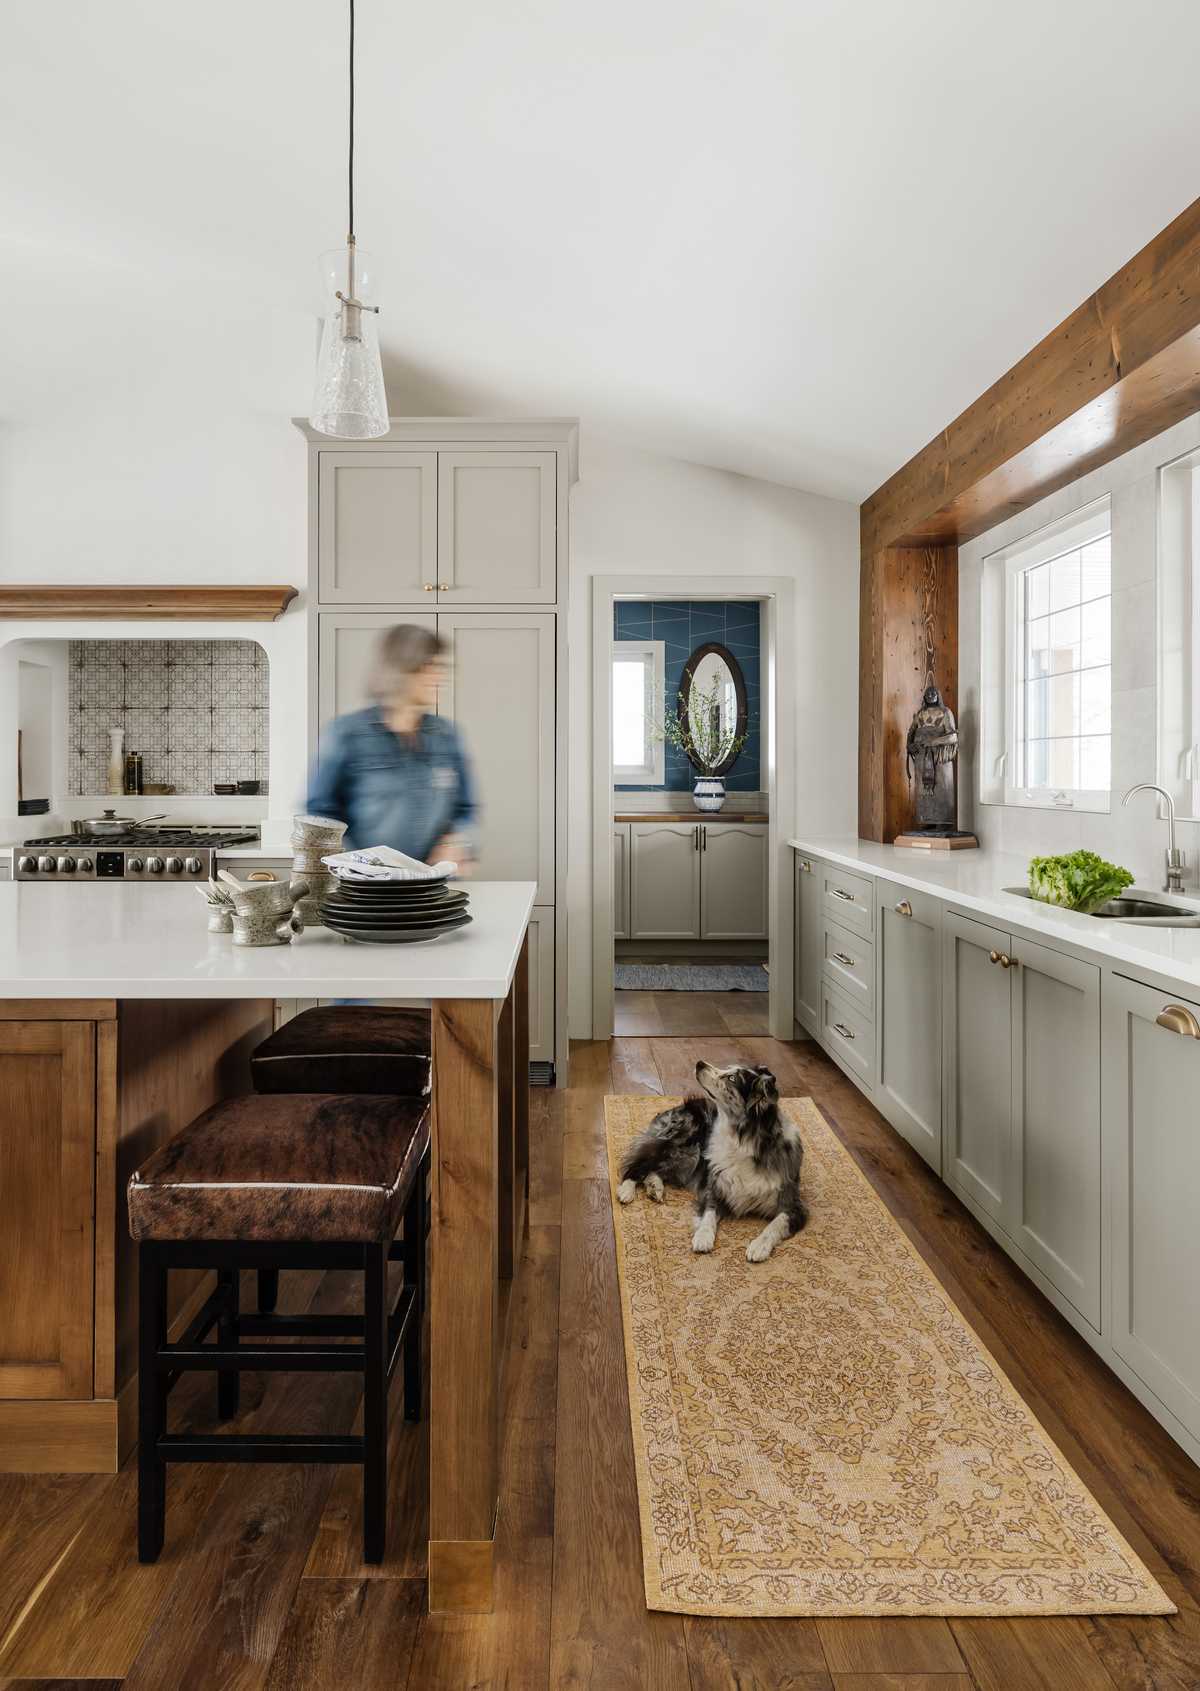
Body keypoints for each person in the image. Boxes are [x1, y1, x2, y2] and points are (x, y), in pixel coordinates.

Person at [306, 624, 478, 872]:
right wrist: (363, 865)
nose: (438, 677)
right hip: (367, 890)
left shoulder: (447, 735)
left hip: (435, 887)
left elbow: (465, 809)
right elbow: (320, 815)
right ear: (398, 671)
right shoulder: (347, 734)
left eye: (439, 667)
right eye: (426, 668)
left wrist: (459, 841)